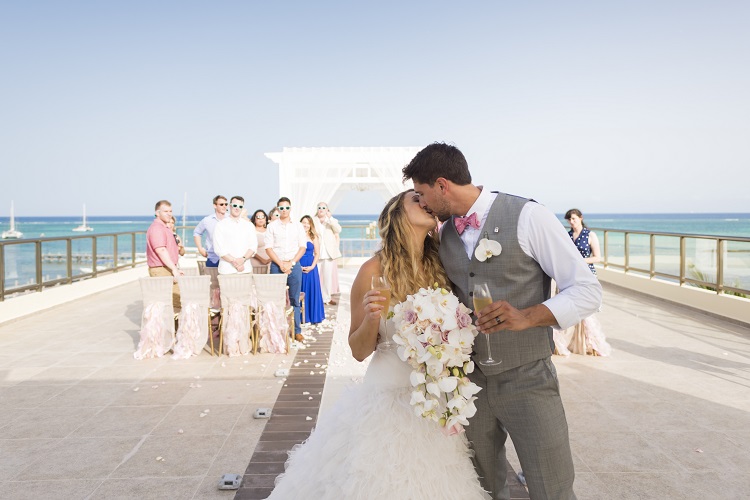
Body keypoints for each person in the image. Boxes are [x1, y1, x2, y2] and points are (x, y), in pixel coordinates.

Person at [403, 143, 602, 500]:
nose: (423, 203)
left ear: (443, 185)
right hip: (469, 388)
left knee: (552, 487)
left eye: (423, 193)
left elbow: (587, 290)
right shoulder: (444, 234)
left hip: (528, 379)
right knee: (482, 490)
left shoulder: (528, 215)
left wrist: (528, 316)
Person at [267, 190, 490, 499]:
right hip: (385, 399)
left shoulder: (442, 266)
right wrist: (372, 317)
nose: (425, 200)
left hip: (433, 402)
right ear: (395, 214)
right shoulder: (373, 271)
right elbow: (358, 351)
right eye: (415, 198)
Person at [553, 209, 611, 357]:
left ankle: (589, 344)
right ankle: (567, 343)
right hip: (570, 275)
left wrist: (580, 261)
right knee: (568, 308)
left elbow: (597, 257)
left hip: (586, 276)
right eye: (569, 220)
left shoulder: (590, 235)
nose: (571, 222)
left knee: (585, 310)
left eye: (573, 219)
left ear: (580, 218)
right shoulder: (568, 236)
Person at [265, 197, 306, 342]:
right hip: (277, 265)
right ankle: (276, 330)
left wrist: (292, 263)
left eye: (286, 208)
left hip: (294, 265)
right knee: (276, 299)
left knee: (295, 298)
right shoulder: (272, 226)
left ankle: (296, 330)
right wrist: (281, 264)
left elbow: (303, 247)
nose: (284, 211)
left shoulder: (298, 226)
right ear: (278, 209)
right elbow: (268, 248)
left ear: (290, 208)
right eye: (281, 208)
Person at [146, 200, 184, 311]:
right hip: (161, 270)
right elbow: (161, 250)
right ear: (157, 213)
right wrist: (174, 269)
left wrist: (174, 268)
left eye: (170, 211)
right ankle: (170, 328)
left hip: (167, 269)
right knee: (172, 303)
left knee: (177, 302)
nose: (169, 214)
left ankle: (174, 327)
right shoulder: (157, 228)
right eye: (165, 211)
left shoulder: (164, 227)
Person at [212, 196, 258, 275]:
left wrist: (243, 260)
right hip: (227, 270)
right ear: (230, 206)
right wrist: (235, 262)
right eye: (235, 205)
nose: (237, 208)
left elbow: (253, 246)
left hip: (245, 269)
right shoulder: (220, 225)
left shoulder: (249, 225)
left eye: (240, 206)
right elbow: (219, 249)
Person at [313, 201, 342, 305]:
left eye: (323, 208)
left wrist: (329, 219)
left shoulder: (331, 220)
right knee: (315, 276)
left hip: (328, 252)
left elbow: (338, 229)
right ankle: (316, 297)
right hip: (316, 252)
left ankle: (326, 298)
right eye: (319, 207)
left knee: (327, 277)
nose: (321, 209)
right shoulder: (313, 220)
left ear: (327, 210)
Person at [299, 215, 325, 324]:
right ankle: (300, 317)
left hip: (311, 266)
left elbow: (317, 253)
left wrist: (312, 266)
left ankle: (312, 316)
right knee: (300, 290)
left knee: (311, 290)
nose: (305, 225)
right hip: (298, 265)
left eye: (308, 223)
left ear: (311, 225)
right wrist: (297, 266)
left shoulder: (313, 237)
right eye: (303, 222)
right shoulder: (296, 236)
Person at [193, 195, 227, 268]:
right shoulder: (207, 220)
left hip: (229, 259)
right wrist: (200, 249)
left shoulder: (230, 219)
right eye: (221, 204)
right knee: (212, 279)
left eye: (226, 204)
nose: (224, 206)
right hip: (213, 258)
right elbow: (197, 233)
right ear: (215, 205)